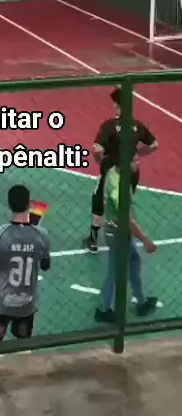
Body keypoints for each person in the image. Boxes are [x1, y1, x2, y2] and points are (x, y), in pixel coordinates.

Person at [83, 87, 158, 253]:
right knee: (124, 203)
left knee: (99, 200)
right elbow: (154, 145)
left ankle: (93, 240)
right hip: (132, 173)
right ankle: (123, 232)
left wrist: (100, 161)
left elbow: (97, 149)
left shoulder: (109, 126)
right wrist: (137, 153)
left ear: (118, 106)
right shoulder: (138, 126)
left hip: (112, 172)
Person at [0, 184, 50, 343]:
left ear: (9, 205)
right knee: (22, 347)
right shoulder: (41, 235)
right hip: (26, 304)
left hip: (0, 302)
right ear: (29, 205)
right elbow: (45, 266)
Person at [95, 163, 157, 323]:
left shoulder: (114, 172)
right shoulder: (118, 190)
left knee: (133, 261)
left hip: (120, 232)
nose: (138, 162)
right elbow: (128, 220)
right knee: (115, 272)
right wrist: (146, 241)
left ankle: (141, 301)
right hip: (119, 234)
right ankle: (107, 310)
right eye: (134, 159)